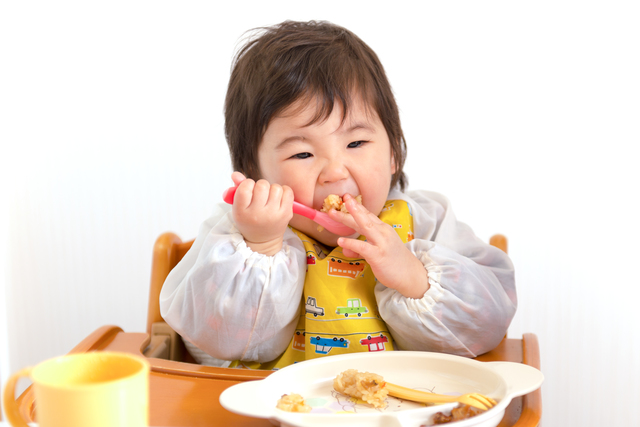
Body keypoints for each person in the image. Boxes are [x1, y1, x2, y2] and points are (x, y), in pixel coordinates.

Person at [160, 20, 516, 369]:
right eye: (302, 154)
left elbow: (486, 326)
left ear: (393, 151)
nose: (335, 172)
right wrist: (261, 248)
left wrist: (413, 277)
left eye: (356, 143)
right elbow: (219, 341)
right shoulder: (241, 236)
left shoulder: (426, 221)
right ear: (255, 173)